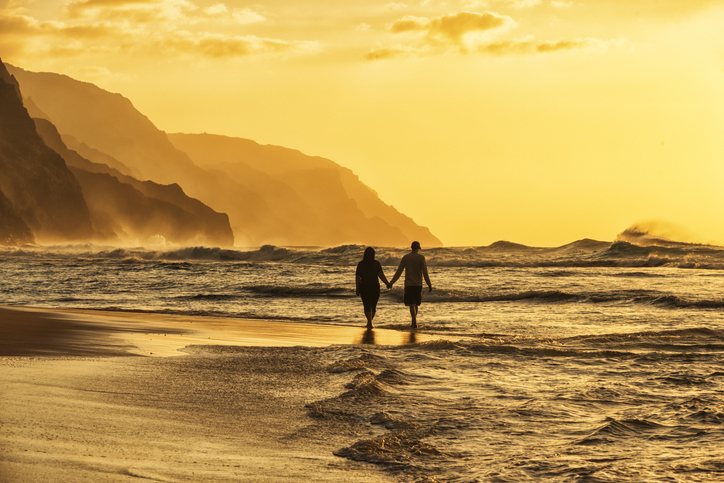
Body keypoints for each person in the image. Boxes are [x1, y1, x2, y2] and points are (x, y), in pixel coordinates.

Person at [389, 241, 432, 328]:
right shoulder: (421, 258)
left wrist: (391, 282)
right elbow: (425, 273)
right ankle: (414, 321)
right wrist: (429, 284)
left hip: (409, 284)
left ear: (411, 247)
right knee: (416, 303)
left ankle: (414, 321)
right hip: (418, 284)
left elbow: (399, 272)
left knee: (412, 304)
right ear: (418, 248)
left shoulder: (406, 257)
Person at [356, 247, 391, 329]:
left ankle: (369, 322)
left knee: (366, 305)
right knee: (373, 306)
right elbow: (381, 275)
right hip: (375, 286)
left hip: (364, 286)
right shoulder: (376, 264)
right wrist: (387, 283)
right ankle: (370, 322)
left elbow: (357, 277)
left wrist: (357, 288)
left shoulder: (361, 264)